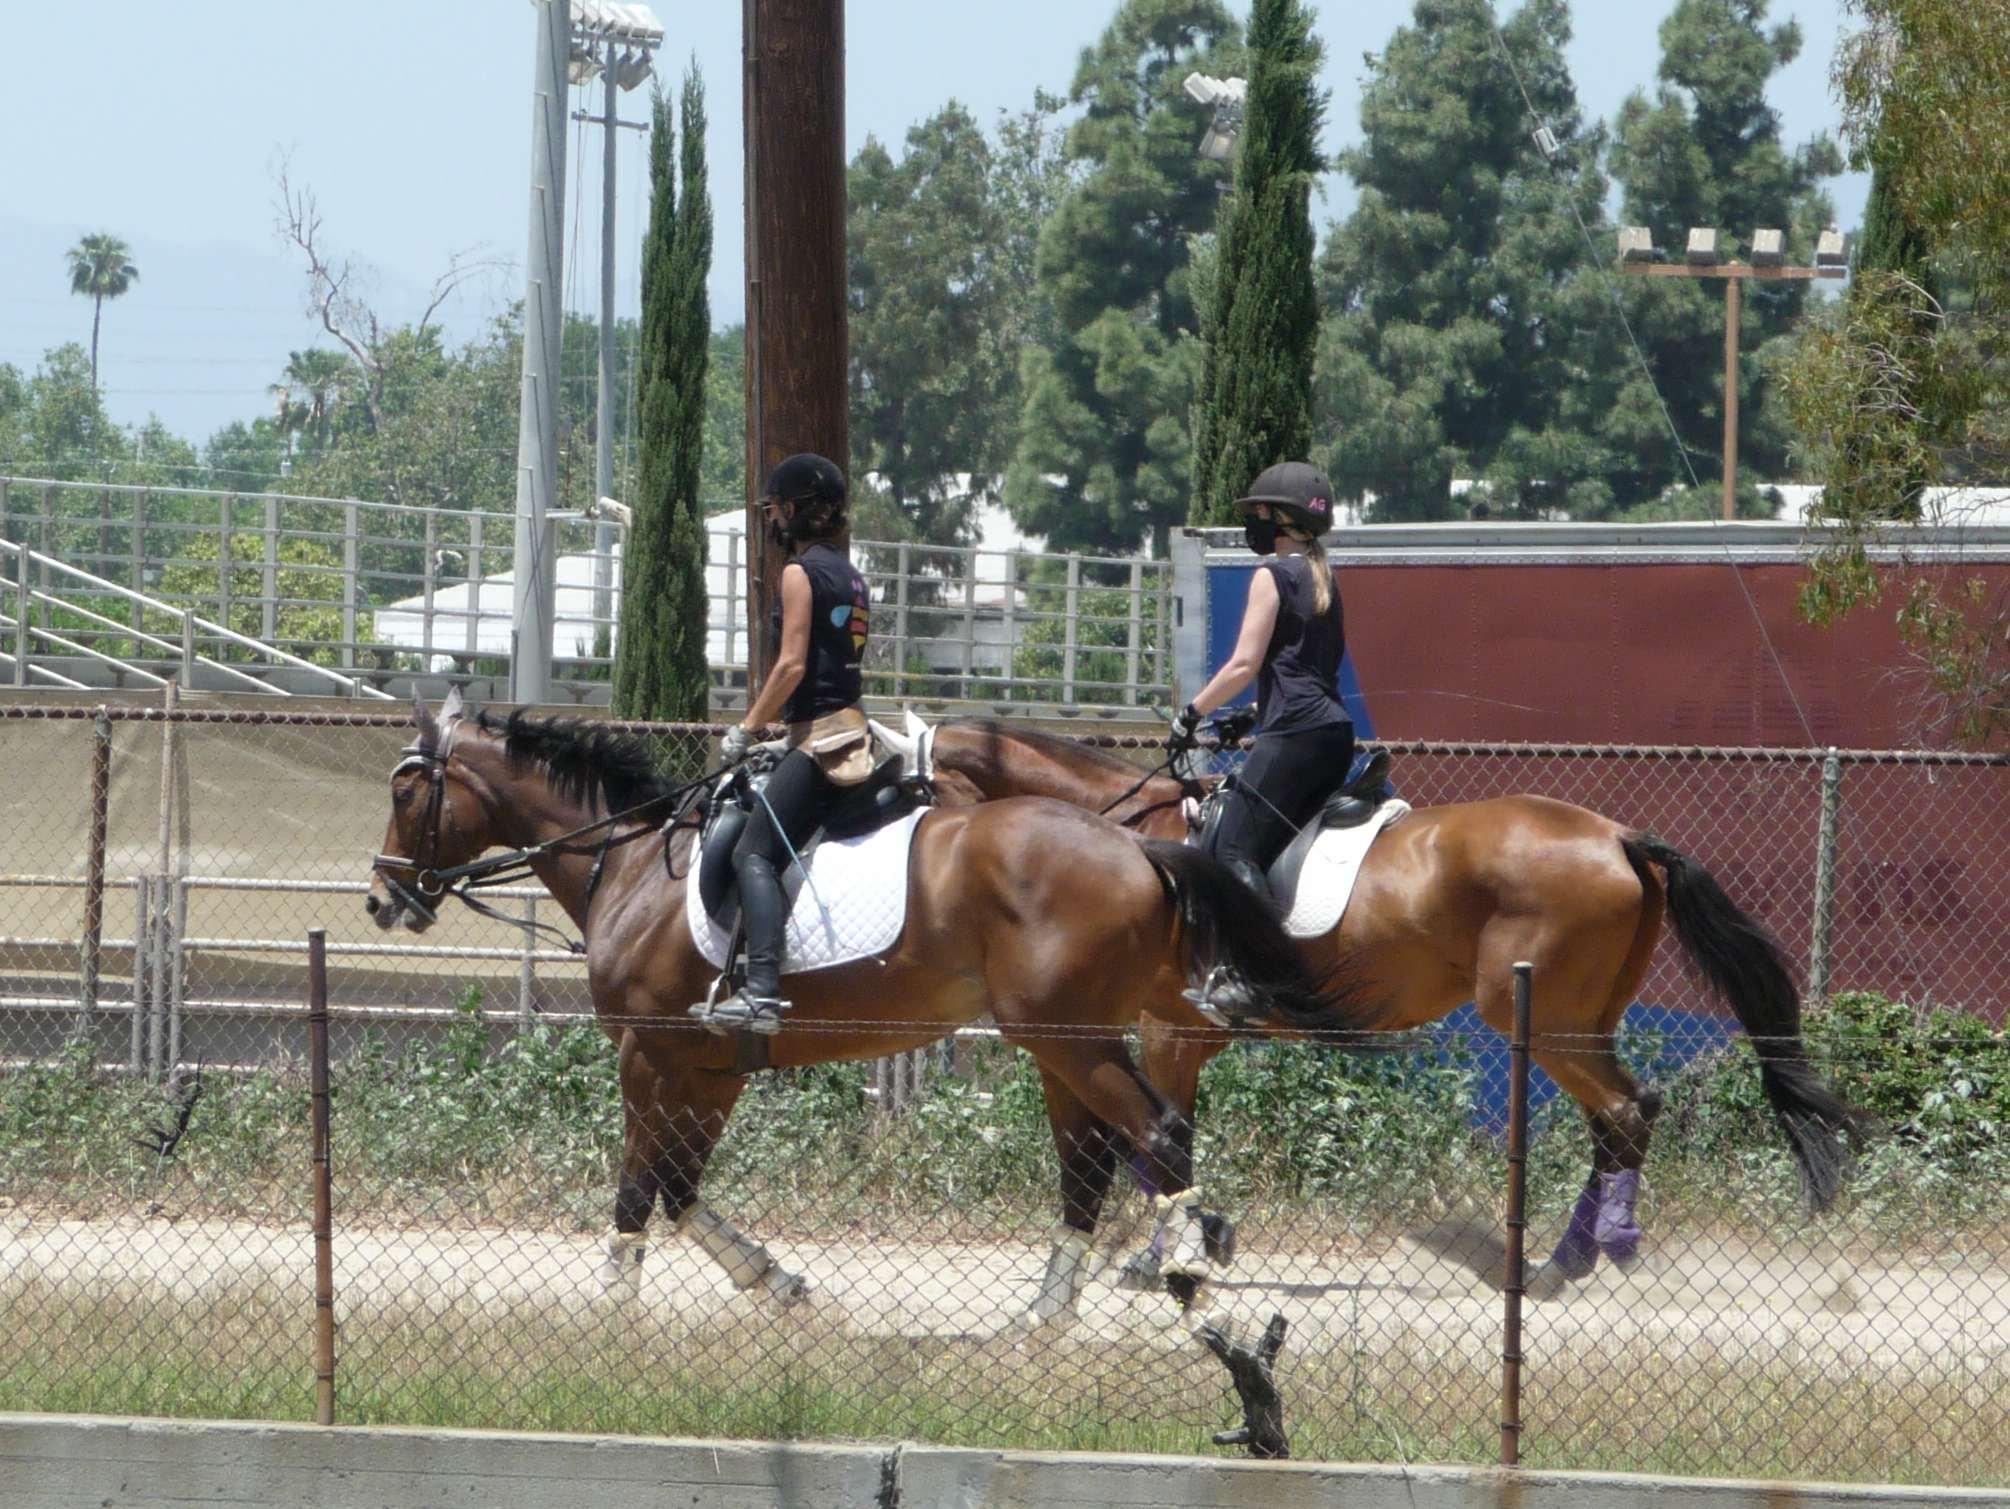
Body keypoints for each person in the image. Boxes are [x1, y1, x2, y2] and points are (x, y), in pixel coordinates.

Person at [1168, 461, 1353, 1017]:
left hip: (1296, 733)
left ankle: (1259, 977)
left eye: (1259, 514)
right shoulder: (1322, 577)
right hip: (1329, 733)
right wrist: (1250, 717)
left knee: (1231, 846)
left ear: (1283, 519)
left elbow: (1246, 662)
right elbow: (1304, 670)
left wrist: (1190, 714)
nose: (1253, 525)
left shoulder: (1271, 576)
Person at [709, 453, 873, 1034]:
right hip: (844, 727)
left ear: (796, 508)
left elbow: (792, 667)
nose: (774, 517)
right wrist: (787, 736)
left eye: (777, 506)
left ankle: (761, 991)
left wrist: (747, 728)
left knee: (752, 853)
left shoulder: (799, 574)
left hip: (824, 740)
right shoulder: (853, 575)